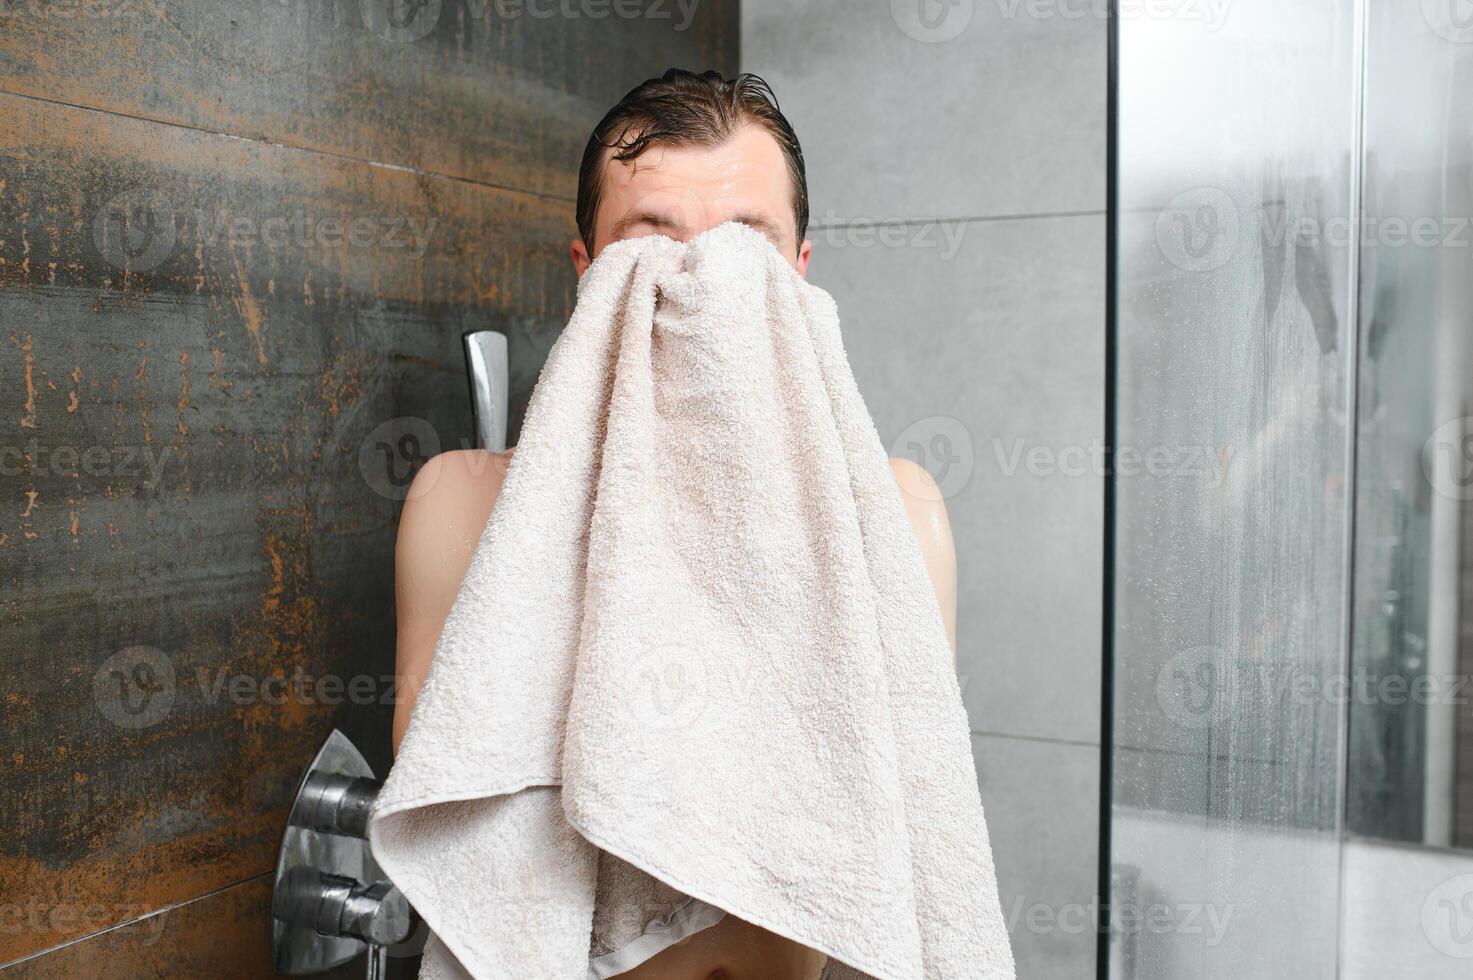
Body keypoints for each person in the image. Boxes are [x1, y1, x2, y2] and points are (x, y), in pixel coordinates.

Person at [390, 68, 956, 980]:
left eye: (747, 252)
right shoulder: (460, 507)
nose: (702, 286)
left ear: (801, 278)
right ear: (585, 273)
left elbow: (909, 827)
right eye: (649, 249)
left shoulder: (894, 520)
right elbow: (466, 827)